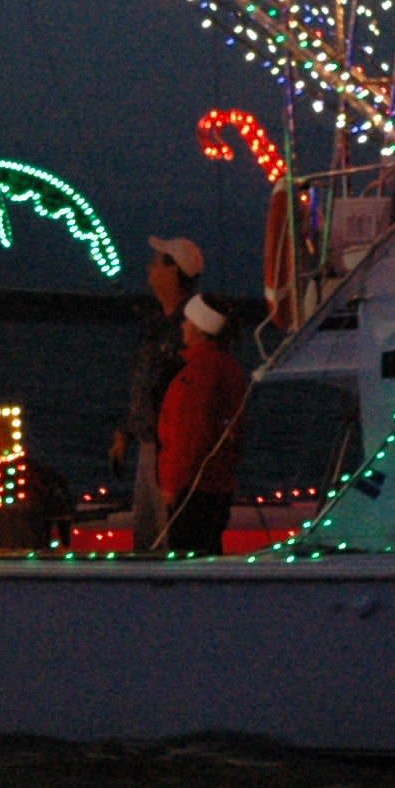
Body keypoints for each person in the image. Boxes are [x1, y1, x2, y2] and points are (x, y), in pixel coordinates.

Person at [114, 235, 202, 551]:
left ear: (173, 271)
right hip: (149, 444)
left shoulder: (192, 328)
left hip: (172, 450)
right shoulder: (156, 324)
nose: (150, 267)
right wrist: (126, 431)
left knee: (167, 536)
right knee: (147, 535)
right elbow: (143, 382)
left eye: (157, 262)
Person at [155, 292, 248, 554]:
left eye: (187, 321)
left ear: (199, 327)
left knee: (189, 552)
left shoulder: (199, 374)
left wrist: (172, 486)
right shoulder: (226, 367)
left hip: (194, 490)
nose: (183, 326)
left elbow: (189, 437)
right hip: (216, 484)